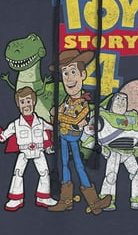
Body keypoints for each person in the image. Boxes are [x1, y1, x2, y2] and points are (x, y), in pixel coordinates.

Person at [47, 50, 111, 215]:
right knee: (64, 165)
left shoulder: (83, 103)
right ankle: (66, 200)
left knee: (79, 166)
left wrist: (61, 117)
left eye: (73, 72)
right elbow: (55, 116)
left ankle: (94, 202)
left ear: (83, 75)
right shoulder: (66, 101)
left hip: (74, 138)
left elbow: (75, 119)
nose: (69, 78)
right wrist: (62, 117)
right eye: (65, 73)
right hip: (63, 138)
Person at [0, 86, 56, 211]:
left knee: (45, 173)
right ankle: (16, 199)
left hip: (39, 151)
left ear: (34, 102)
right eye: (22, 102)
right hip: (23, 152)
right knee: (18, 174)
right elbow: (3, 137)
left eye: (28, 101)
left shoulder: (41, 122)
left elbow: (55, 128)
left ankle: (43, 197)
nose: (26, 105)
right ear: (18, 105)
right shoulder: (15, 124)